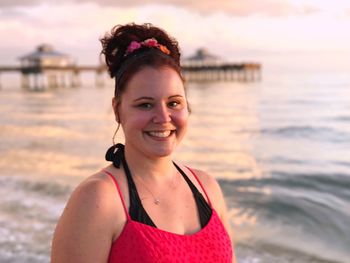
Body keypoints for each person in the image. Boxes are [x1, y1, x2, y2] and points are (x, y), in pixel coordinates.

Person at [51, 23, 236, 263]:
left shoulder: (207, 188)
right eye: (145, 104)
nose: (163, 117)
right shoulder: (99, 198)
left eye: (174, 103)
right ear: (118, 110)